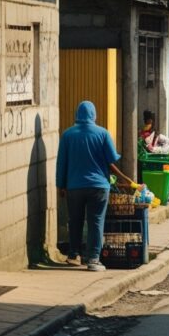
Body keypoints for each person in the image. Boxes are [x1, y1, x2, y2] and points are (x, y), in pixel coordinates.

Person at [56, 101, 120, 271]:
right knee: (96, 222)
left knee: (75, 220)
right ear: (94, 115)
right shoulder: (103, 133)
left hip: (74, 186)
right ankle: (93, 259)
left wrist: (60, 185)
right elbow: (112, 158)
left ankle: (73, 255)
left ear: (77, 114)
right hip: (99, 186)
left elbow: (61, 162)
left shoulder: (67, 135)